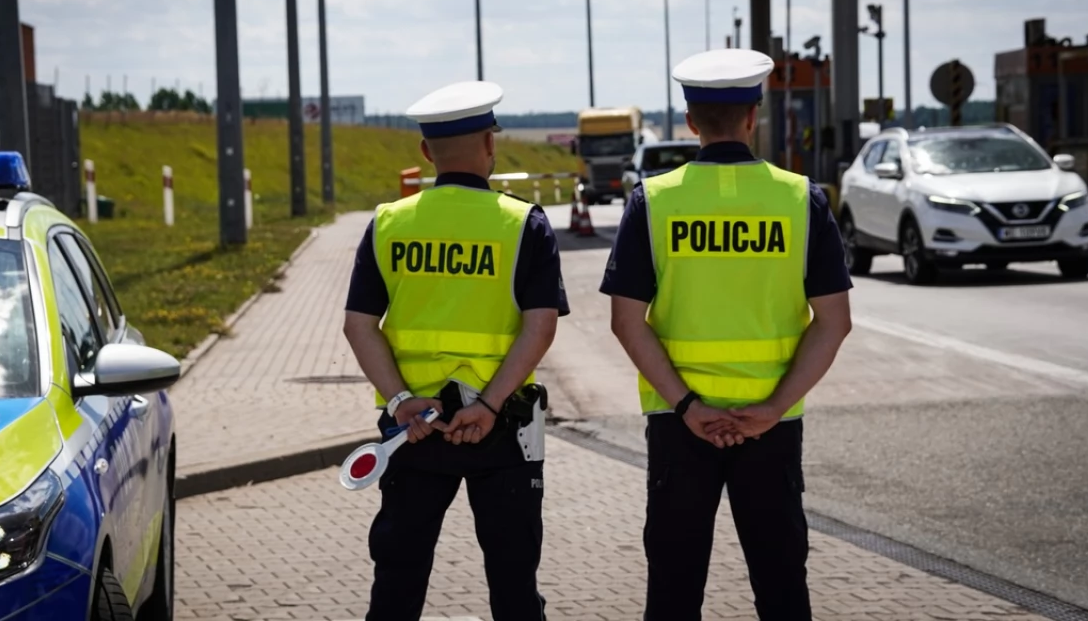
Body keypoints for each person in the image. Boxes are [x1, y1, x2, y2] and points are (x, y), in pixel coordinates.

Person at [601, 49, 854, 621]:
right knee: (782, 582)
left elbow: (624, 321)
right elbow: (834, 322)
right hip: (771, 426)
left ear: (691, 121)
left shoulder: (655, 202)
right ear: (753, 116)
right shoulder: (800, 200)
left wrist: (688, 406)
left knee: (673, 585)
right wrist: (771, 407)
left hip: (680, 424)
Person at [343, 80, 568, 621]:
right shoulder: (523, 225)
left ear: (426, 153)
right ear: (490, 145)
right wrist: (488, 406)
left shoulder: (389, 223)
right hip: (502, 428)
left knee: (397, 584)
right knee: (514, 585)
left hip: (415, 429)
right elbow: (539, 328)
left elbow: (359, 325)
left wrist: (400, 400)